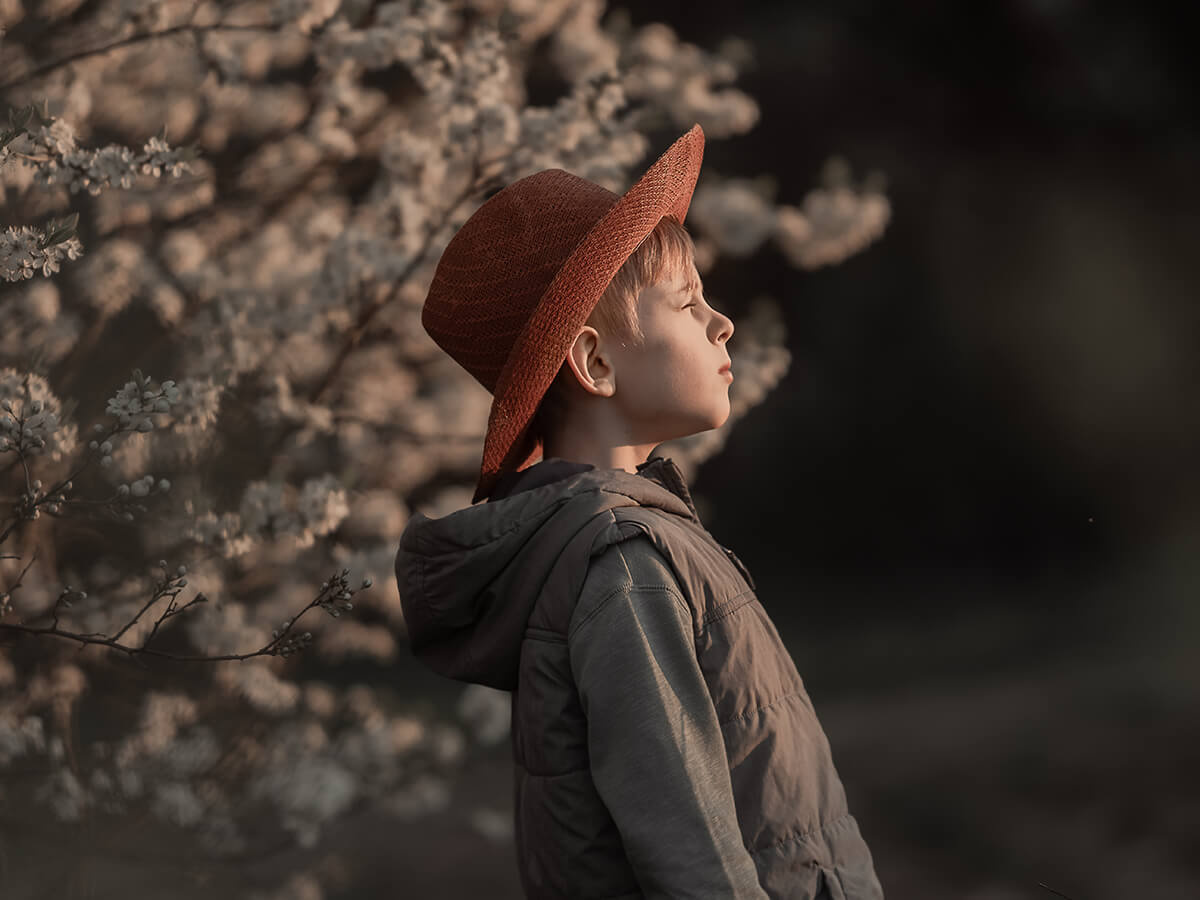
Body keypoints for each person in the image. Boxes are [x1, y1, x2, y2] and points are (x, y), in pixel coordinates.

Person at [395, 124, 884, 899]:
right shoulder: (623, 566)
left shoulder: (635, 539)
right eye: (689, 303)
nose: (723, 323)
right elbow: (690, 849)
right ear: (594, 362)